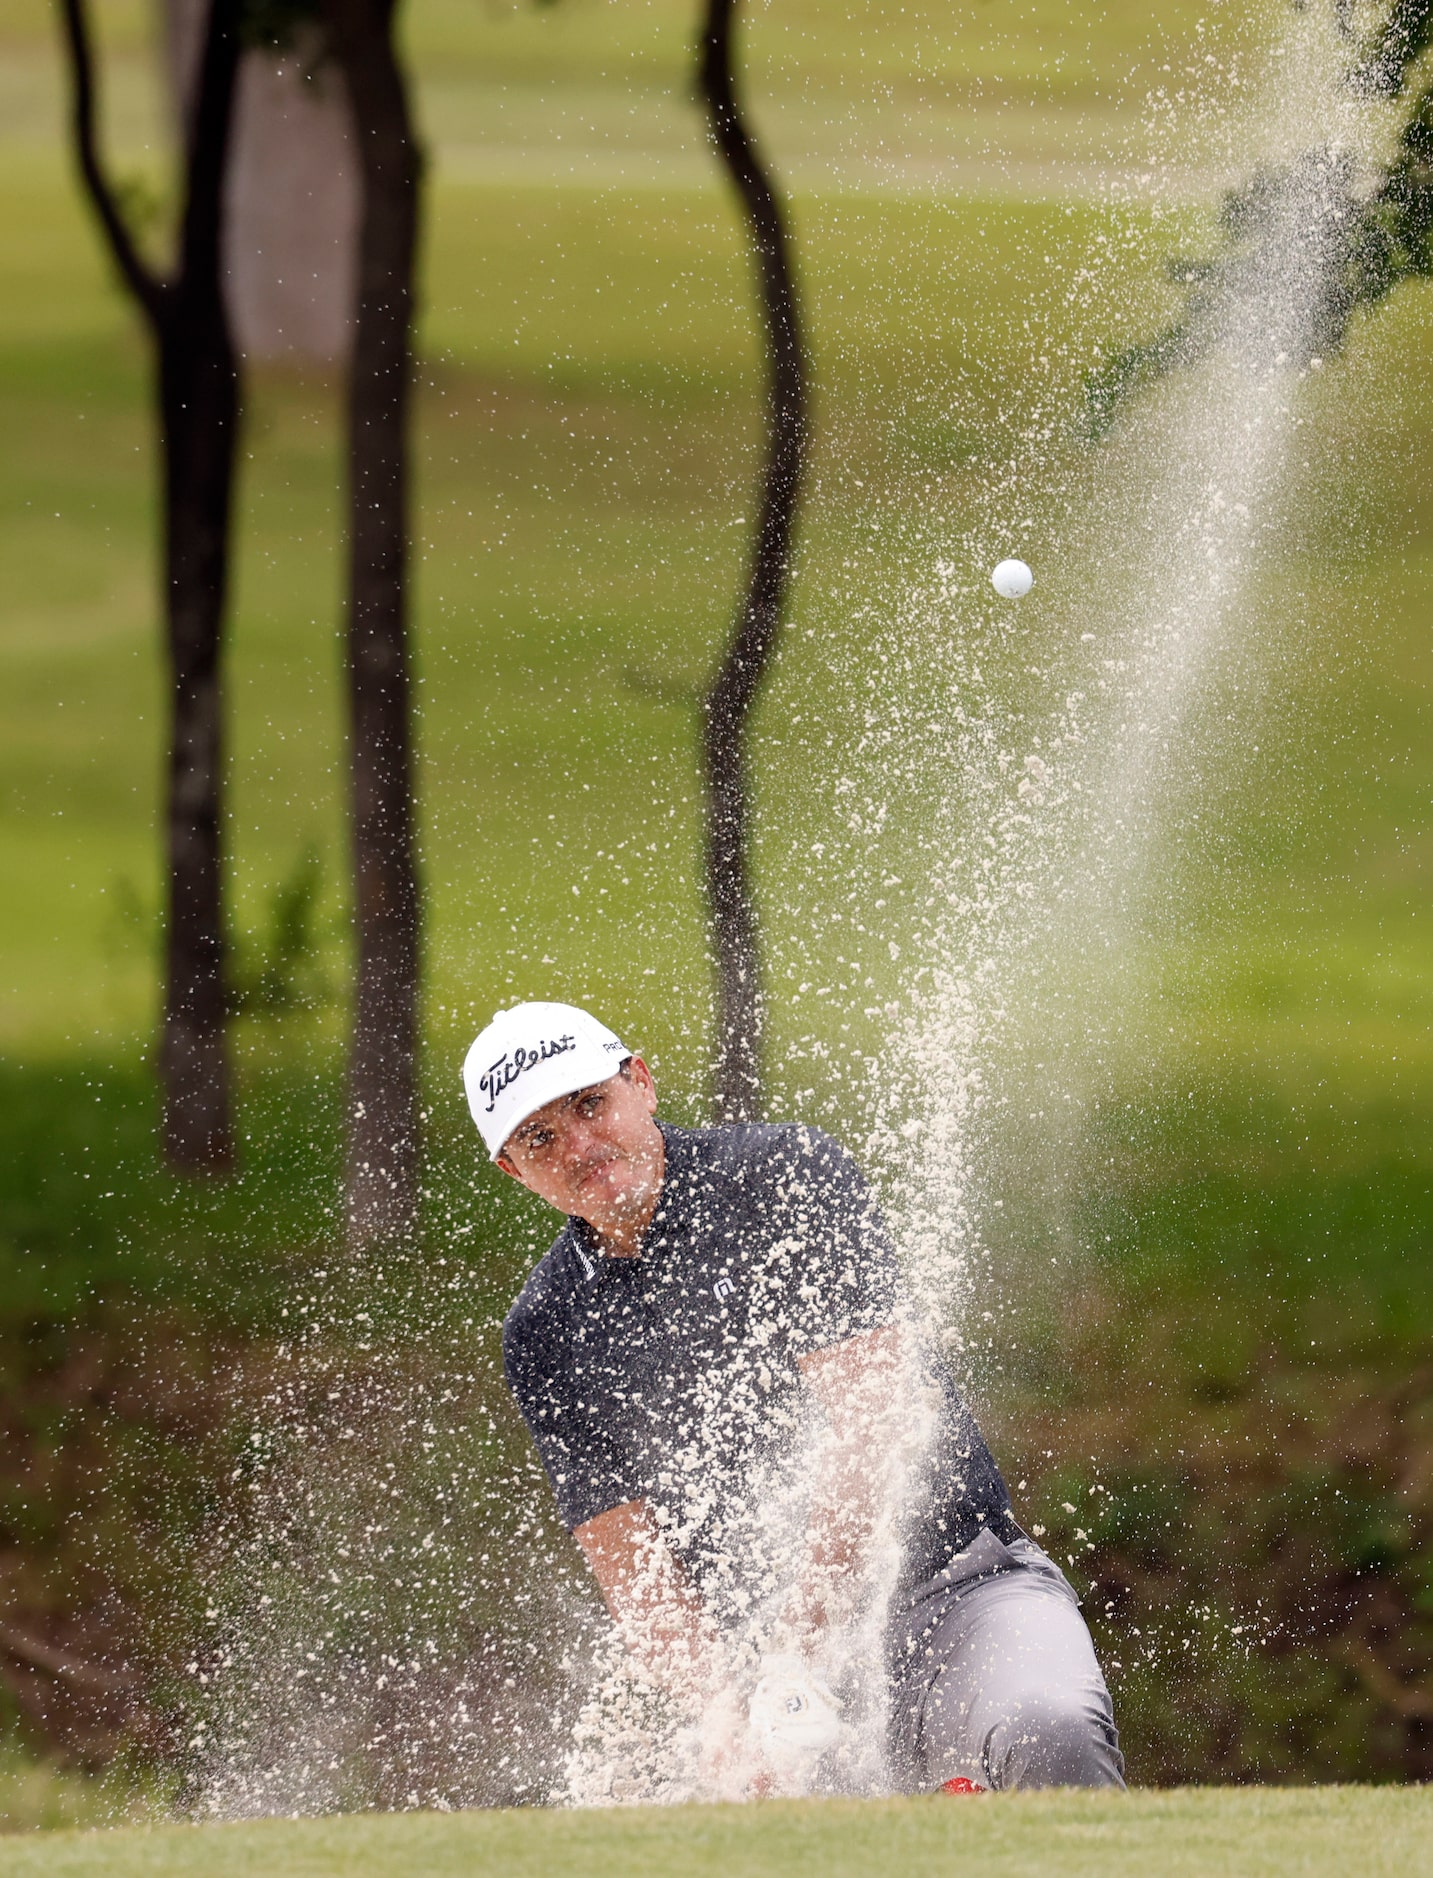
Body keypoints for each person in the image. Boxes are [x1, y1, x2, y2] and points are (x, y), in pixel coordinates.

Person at [464, 1000, 1124, 1797]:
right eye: (541, 1137)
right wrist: (721, 1720)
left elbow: (871, 1426)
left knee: (1047, 1733)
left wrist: (799, 1650)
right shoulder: (546, 1328)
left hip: (955, 1595)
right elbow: (635, 1570)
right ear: (514, 1170)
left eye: (589, 1104)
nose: (580, 1144)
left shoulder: (782, 1175)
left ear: (639, 1082)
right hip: (760, 1674)